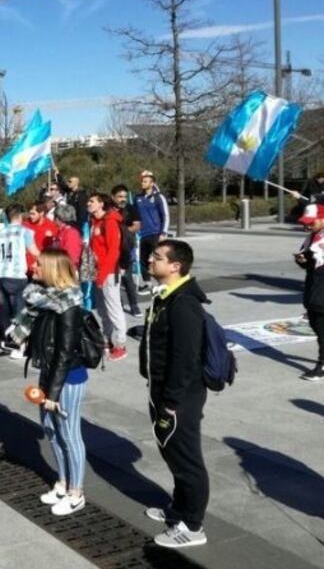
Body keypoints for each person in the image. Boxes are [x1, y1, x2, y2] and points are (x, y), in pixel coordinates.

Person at [6, 249, 88, 516]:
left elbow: (65, 353)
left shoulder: (69, 304)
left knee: (69, 434)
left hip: (68, 377)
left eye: (39, 265)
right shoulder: (41, 299)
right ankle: (62, 483)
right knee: (51, 430)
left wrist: (52, 393)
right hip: (47, 373)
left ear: (53, 269)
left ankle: (76, 493)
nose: (33, 267)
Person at [140, 239, 209, 548]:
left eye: (157, 257)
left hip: (179, 397)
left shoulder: (184, 304)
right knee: (172, 453)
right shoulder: (166, 297)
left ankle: (193, 526)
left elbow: (185, 358)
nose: (150, 260)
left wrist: (171, 402)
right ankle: (179, 510)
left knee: (187, 458)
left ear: (175, 266)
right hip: (162, 391)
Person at [0, 204, 39, 359]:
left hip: (1, 275)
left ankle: (7, 341)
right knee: (19, 312)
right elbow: (34, 251)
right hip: (17, 276)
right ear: (20, 216)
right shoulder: (25, 232)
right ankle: (19, 345)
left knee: (4, 311)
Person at [88, 193, 128, 362]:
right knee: (103, 310)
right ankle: (107, 340)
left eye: (92, 201)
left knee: (114, 309)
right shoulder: (95, 221)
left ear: (101, 204)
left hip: (109, 273)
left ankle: (120, 345)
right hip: (98, 272)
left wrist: (103, 274)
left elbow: (113, 252)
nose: (88, 203)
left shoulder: (110, 222)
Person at [295, 204, 324, 381]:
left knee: (321, 327)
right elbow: (310, 263)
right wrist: (303, 260)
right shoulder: (311, 237)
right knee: (316, 324)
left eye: (311, 222)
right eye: (305, 222)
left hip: (321, 291)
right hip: (313, 288)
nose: (308, 225)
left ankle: (322, 365)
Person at [134, 170, 170, 293]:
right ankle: (147, 284)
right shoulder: (137, 198)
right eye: (142, 181)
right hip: (142, 235)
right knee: (143, 261)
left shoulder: (158, 197)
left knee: (158, 260)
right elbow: (135, 215)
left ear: (152, 183)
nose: (142, 183)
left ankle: (164, 283)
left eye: (145, 181)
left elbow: (165, 215)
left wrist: (163, 232)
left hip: (155, 233)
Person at [111, 184, 143, 318]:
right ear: (113, 197)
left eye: (124, 196)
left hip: (126, 247)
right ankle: (118, 303)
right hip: (111, 248)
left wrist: (123, 231)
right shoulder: (108, 210)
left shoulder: (130, 209)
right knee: (114, 279)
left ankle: (134, 305)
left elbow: (137, 226)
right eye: (120, 197)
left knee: (127, 277)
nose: (123, 199)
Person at [23, 200, 58, 276]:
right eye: (30, 213)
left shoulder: (51, 226)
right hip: (26, 268)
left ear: (41, 213)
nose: (30, 216)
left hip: (43, 268)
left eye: (33, 214)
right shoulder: (25, 225)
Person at [51, 204, 82, 269]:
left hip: (66, 269)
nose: (53, 219)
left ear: (59, 218)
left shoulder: (71, 233)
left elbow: (72, 257)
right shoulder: (60, 232)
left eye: (55, 217)